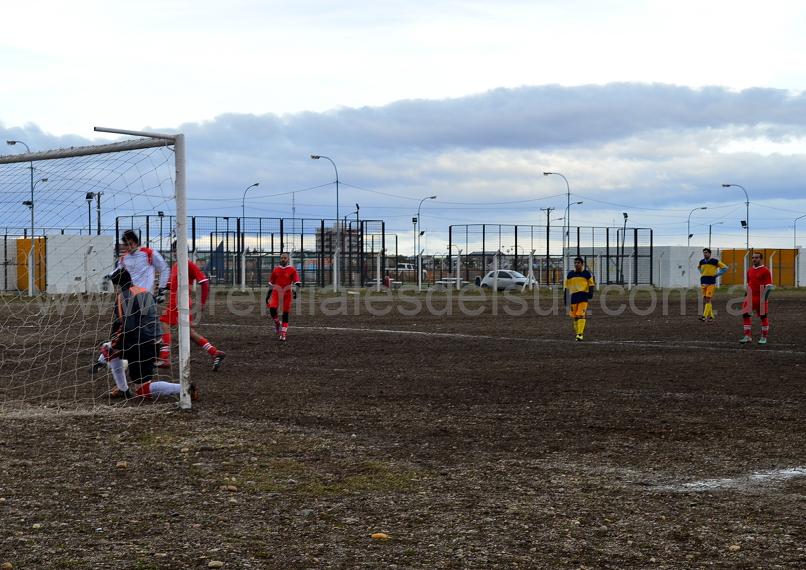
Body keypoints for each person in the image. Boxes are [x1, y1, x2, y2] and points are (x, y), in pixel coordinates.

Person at [157, 245, 225, 371]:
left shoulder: (188, 264)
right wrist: (163, 286)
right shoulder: (177, 265)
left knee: (164, 323)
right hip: (178, 302)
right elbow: (174, 284)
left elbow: (204, 282)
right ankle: (215, 353)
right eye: (174, 251)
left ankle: (164, 357)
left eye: (176, 250)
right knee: (189, 334)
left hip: (178, 303)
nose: (175, 253)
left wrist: (202, 304)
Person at [117, 229, 169, 297]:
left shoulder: (148, 253)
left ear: (136, 243)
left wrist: (161, 289)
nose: (129, 247)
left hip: (147, 296)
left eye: (131, 244)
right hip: (130, 297)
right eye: (126, 245)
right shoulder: (124, 259)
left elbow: (164, 268)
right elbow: (118, 273)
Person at [740, 251, 773, 345]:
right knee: (745, 315)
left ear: (761, 259)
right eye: (753, 257)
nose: (754, 259)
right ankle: (747, 336)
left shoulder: (765, 270)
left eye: (756, 257)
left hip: (761, 297)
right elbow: (749, 283)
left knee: (763, 317)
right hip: (750, 297)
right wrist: (746, 295)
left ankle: (764, 337)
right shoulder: (749, 270)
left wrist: (764, 298)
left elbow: (769, 286)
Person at [266, 252, 301, 342]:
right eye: (282, 258)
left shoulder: (292, 270)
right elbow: (271, 284)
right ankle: (277, 323)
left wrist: (296, 292)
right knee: (272, 308)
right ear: (280, 259)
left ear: (288, 259)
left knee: (285, 313)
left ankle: (283, 334)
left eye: (285, 258)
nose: (283, 259)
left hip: (287, 293)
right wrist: (268, 296)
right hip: (276, 292)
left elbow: (297, 282)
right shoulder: (276, 270)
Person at [564, 257, 595, 341]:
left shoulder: (586, 274)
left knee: (581, 315)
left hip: (583, 297)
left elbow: (591, 284)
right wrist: (566, 300)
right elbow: (566, 288)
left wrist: (591, 293)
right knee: (575, 316)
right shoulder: (570, 274)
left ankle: (580, 334)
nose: (576, 264)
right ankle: (578, 333)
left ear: (582, 264)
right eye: (575, 263)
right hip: (573, 297)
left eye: (578, 263)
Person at [697, 248, 729, 322]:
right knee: (706, 299)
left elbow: (725, 267)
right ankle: (711, 316)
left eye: (706, 252)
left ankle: (704, 316)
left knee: (708, 299)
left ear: (710, 253)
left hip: (711, 282)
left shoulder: (715, 261)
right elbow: (699, 267)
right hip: (703, 281)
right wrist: (702, 272)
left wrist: (717, 274)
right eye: (704, 253)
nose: (705, 254)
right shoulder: (701, 261)